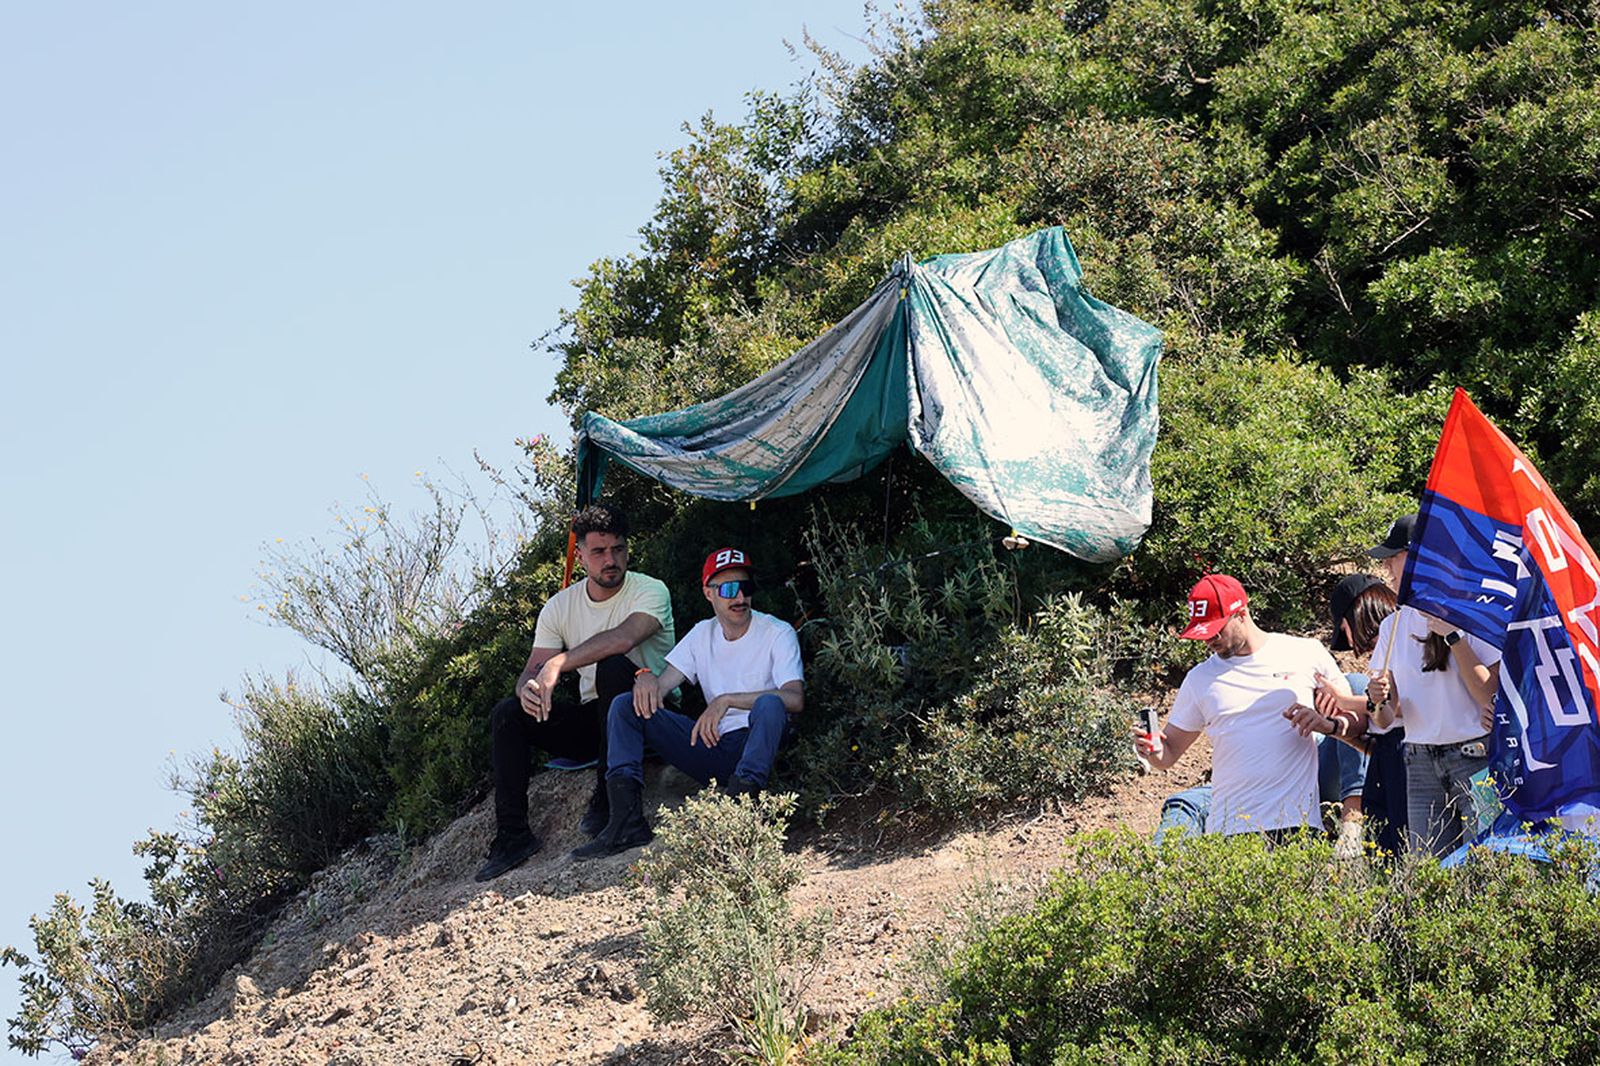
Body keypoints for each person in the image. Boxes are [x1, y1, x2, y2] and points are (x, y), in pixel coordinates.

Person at [474, 503, 676, 882]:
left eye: (618, 549)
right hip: (594, 721)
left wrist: (559, 664)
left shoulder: (650, 590)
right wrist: (530, 690)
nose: (610, 560)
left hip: (649, 711)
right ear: (580, 555)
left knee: (612, 666)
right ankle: (513, 837)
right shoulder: (559, 606)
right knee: (508, 713)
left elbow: (625, 637)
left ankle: (615, 808)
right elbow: (531, 671)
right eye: (598, 552)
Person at [574, 547, 804, 860]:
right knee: (625, 705)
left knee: (770, 705)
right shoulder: (701, 634)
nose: (740, 598)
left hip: (759, 745)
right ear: (709, 594)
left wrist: (727, 701)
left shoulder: (777, 632)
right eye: (728, 589)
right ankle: (626, 821)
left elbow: (794, 698)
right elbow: (662, 685)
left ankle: (741, 809)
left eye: (745, 587)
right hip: (715, 746)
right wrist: (644, 675)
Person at [1136, 574, 1353, 839]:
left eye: (1216, 629)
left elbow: (1356, 722)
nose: (1209, 640)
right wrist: (1152, 748)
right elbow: (1168, 753)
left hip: (1297, 823)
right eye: (1202, 633)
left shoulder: (1305, 653)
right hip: (1230, 831)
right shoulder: (1200, 678)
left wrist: (1327, 723)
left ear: (1241, 613)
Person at [1364, 513, 1500, 858]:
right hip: (1419, 757)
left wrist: (1453, 636)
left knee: (1485, 863)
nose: (1388, 571)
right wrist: (1378, 701)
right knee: (1429, 866)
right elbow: (1385, 720)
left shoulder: (1473, 611)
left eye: (1393, 558)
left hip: (1476, 756)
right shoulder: (1391, 625)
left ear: (1418, 559)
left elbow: (1487, 692)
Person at [1314, 573, 1406, 855]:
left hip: (1394, 764)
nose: (1350, 642)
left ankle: (1352, 817)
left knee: (1354, 683)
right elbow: (1381, 734)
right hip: (1382, 763)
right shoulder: (1393, 645)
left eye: (1345, 628)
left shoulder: (1398, 643)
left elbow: (1398, 707)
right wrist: (1336, 726)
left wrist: (1343, 701)